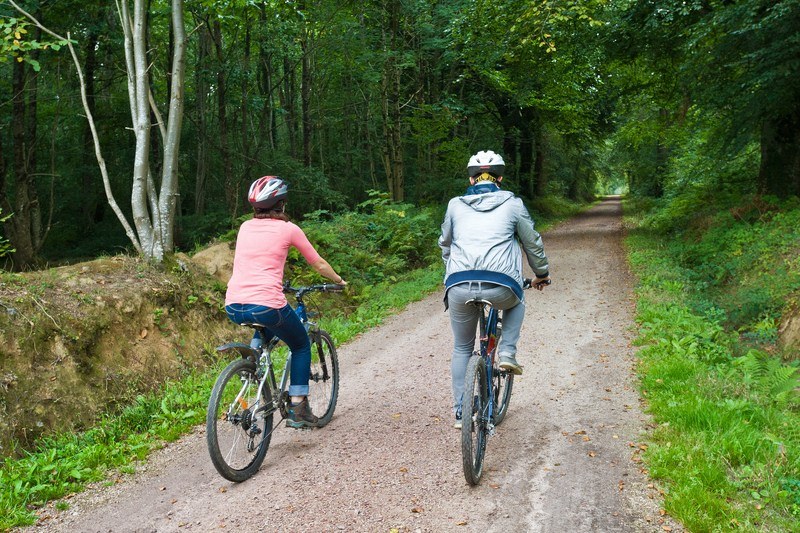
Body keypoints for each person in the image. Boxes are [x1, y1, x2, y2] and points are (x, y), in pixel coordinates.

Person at [438, 150, 550, 428]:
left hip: (459, 284)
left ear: (471, 179)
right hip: (501, 284)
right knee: (517, 300)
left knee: (462, 347)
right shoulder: (513, 204)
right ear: (500, 178)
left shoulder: (454, 205)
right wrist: (541, 274)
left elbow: (446, 243)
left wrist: (451, 271)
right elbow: (531, 242)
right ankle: (508, 353)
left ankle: (460, 413)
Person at [225, 175, 347, 428]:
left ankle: (253, 367)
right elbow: (319, 263)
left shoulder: (245, 228)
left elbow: (255, 262)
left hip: (234, 305)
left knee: (263, 326)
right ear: (281, 204)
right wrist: (339, 280)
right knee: (300, 344)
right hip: (267, 304)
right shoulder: (288, 229)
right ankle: (298, 406)